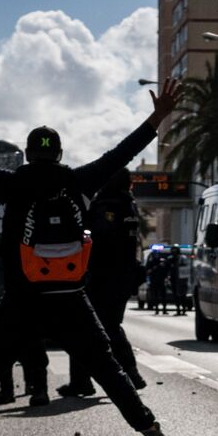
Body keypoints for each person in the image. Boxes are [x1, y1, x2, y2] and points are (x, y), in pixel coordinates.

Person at [0, 80, 182, 436]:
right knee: (105, 366)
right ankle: (151, 432)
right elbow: (122, 153)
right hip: (70, 294)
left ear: (29, 154)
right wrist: (157, 116)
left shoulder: (11, 183)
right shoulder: (79, 180)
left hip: (22, 296)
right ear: (59, 153)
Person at [60, 169, 147, 397]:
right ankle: (128, 374)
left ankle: (86, 380)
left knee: (84, 327)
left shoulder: (107, 205)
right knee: (109, 326)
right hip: (122, 276)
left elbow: (95, 237)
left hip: (101, 275)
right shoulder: (129, 205)